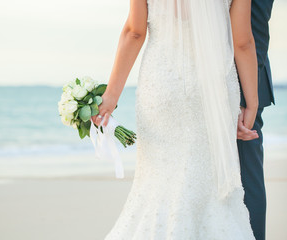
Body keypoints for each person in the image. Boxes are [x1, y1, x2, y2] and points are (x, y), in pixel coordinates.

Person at [92, 0, 258, 238]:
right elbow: (243, 42)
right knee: (210, 188)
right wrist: (251, 104)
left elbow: (135, 32)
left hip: (162, 84)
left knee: (157, 183)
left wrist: (111, 96)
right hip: (213, 90)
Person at [236, 0, 275, 239]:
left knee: (247, 180)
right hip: (225, 83)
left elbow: (254, 23)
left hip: (243, 81)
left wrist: (247, 97)